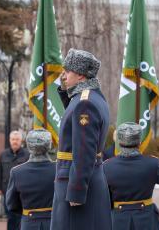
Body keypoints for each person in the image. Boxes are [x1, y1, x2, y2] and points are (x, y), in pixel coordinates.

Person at [50, 48, 112, 230]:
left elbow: (84, 151)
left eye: (67, 72)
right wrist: (65, 90)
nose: (63, 76)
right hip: (84, 178)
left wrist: (76, 192)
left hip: (76, 182)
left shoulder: (84, 103)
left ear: (80, 76)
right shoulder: (90, 98)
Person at [103, 122, 159, 230]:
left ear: (119, 141)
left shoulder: (107, 166)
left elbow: (104, 197)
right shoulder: (152, 163)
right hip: (146, 218)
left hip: (119, 219)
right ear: (139, 142)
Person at [6, 129, 56, 230]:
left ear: (28, 146)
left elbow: (11, 205)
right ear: (49, 145)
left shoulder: (17, 172)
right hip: (54, 222)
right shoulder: (59, 169)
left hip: (29, 223)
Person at [0, 130, 29, 230]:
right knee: (10, 216)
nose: (15, 141)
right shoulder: (3, 154)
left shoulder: (27, 154)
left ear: (21, 141)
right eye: (13, 139)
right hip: (7, 190)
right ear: (10, 140)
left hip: (22, 191)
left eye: (17, 139)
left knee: (20, 216)